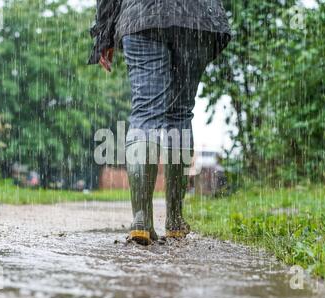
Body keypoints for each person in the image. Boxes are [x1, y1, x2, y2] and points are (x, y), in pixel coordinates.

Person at [89, 0, 231, 245]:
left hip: (143, 15)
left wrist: (104, 34)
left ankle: (141, 219)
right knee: (180, 114)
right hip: (196, 18)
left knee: (146, 113)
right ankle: (175, 219)